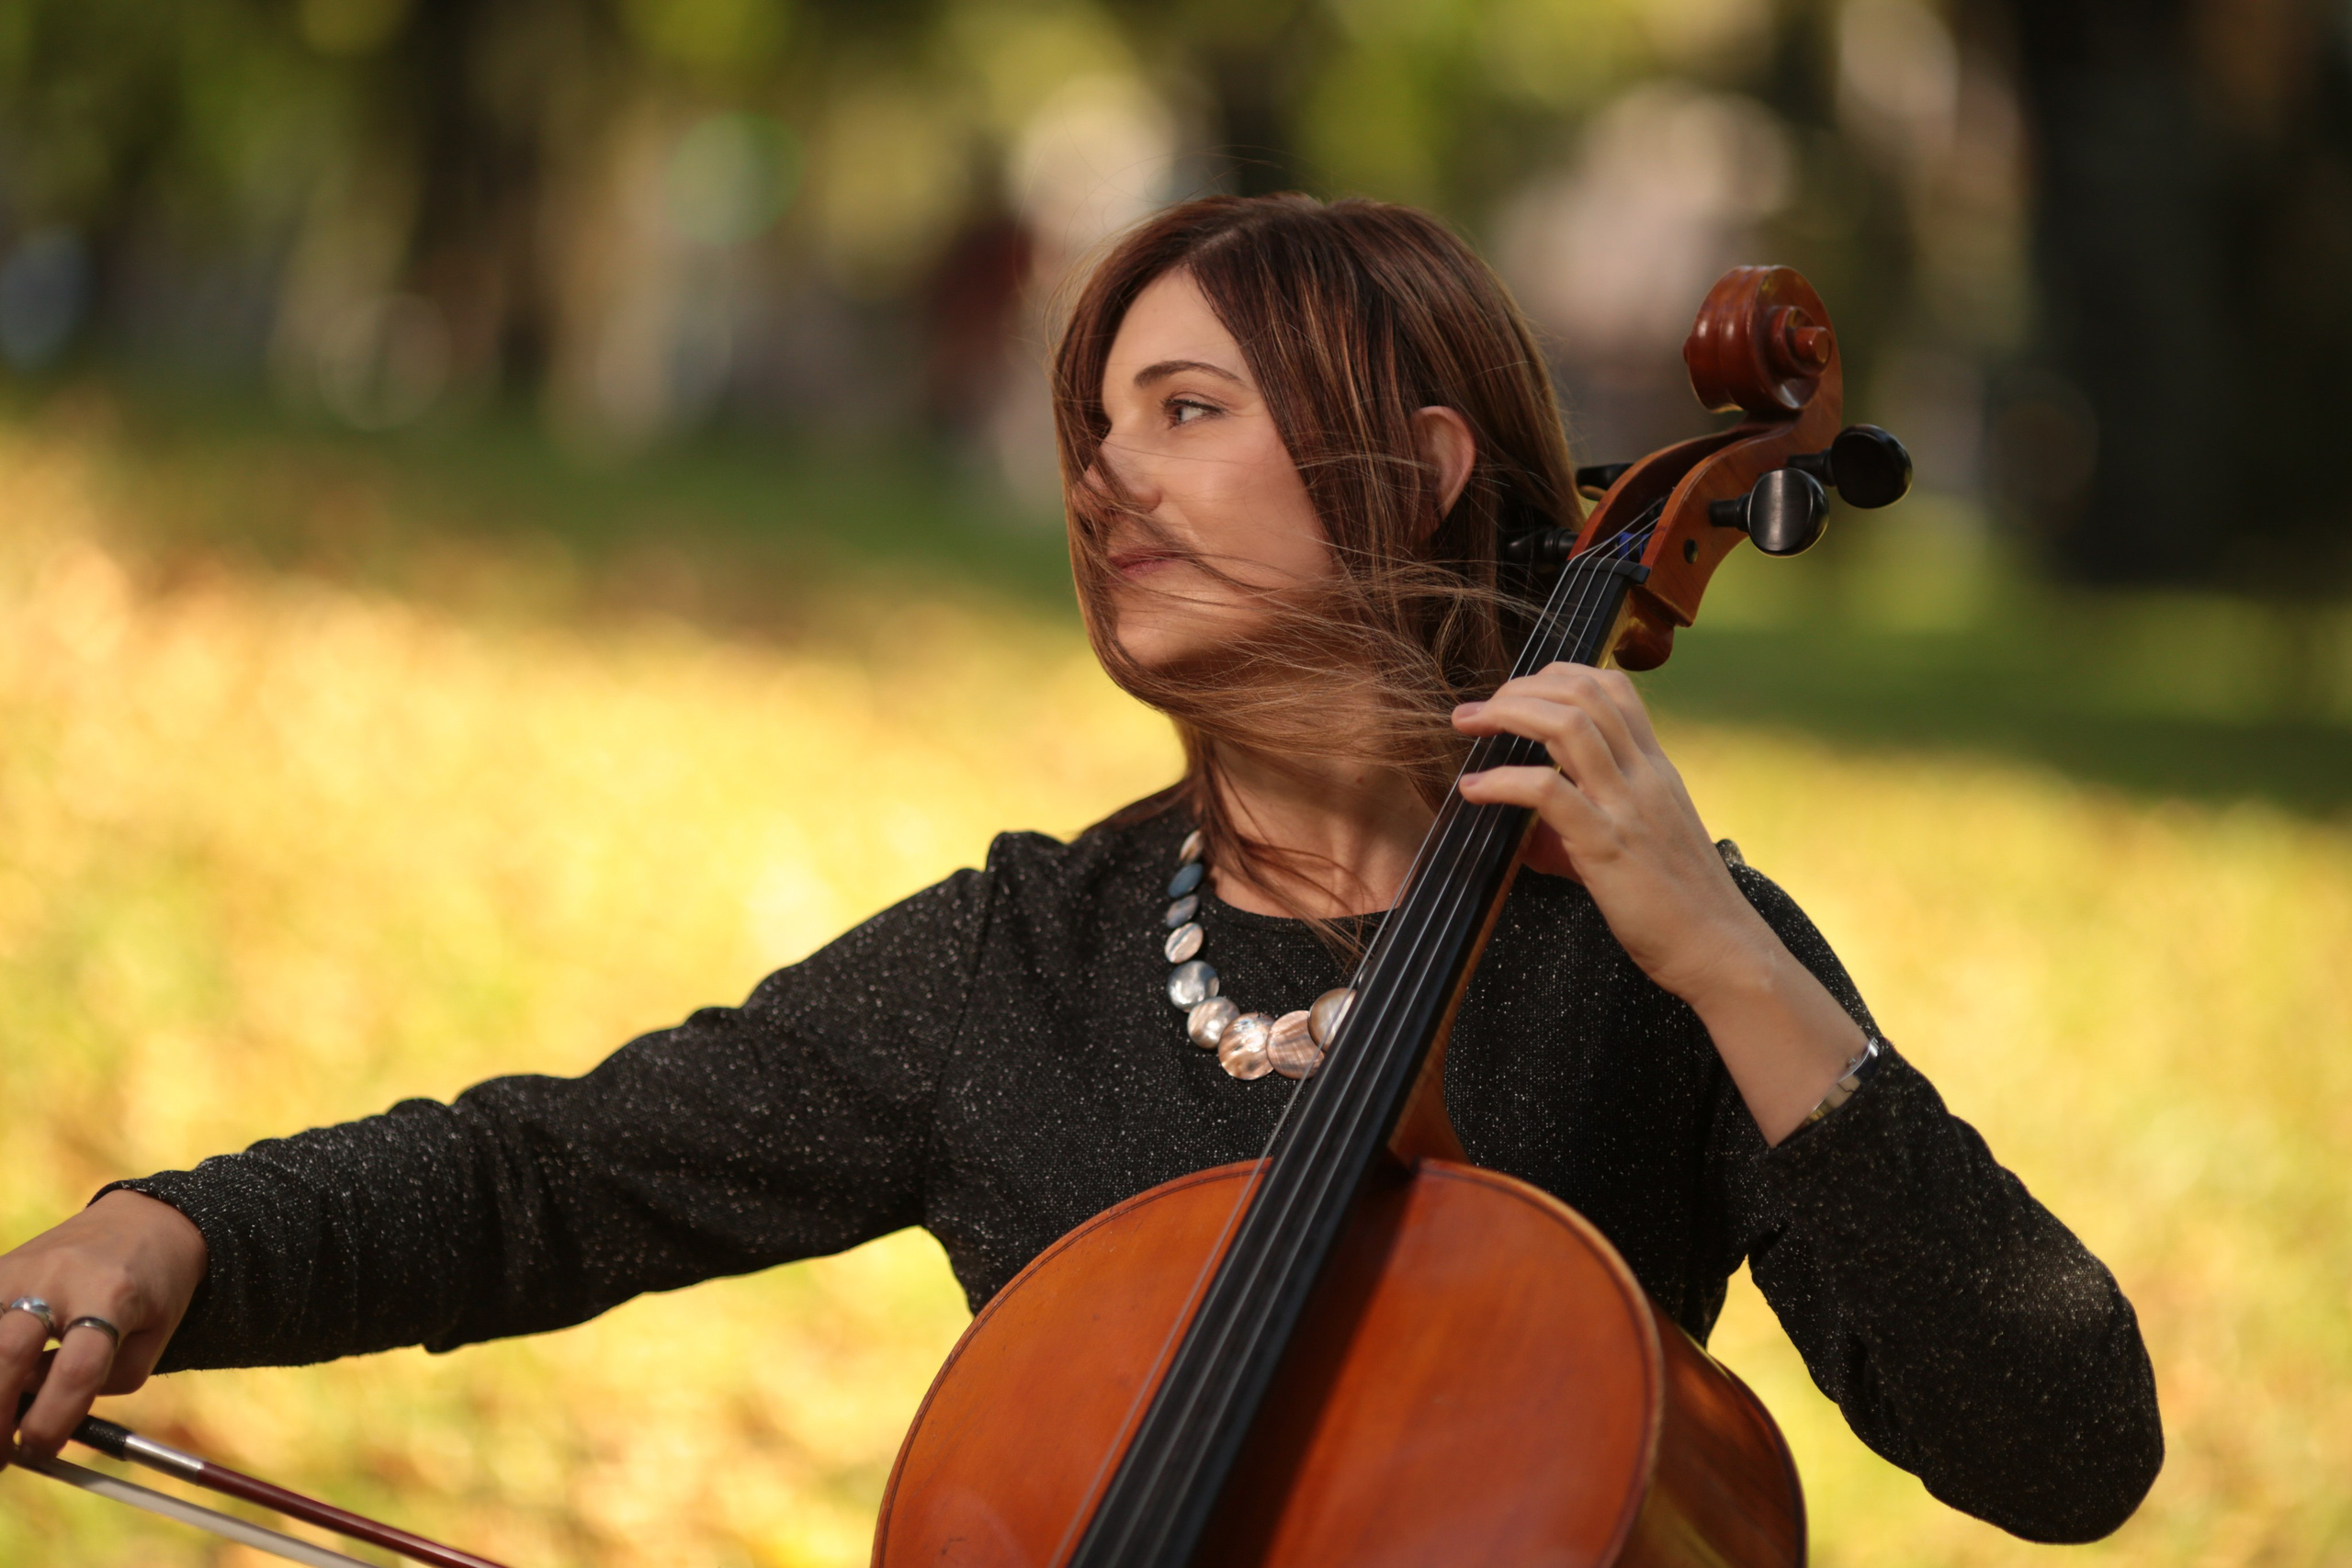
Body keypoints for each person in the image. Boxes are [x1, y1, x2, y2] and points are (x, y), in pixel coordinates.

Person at [0, 195, 2160, 1542]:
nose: (1102, 471)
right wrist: (173, 1231)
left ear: (1406, 470)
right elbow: (550, 1174)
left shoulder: (1649, 950)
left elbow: (2057, 1445)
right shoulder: (1026, 956)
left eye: (1186, 408)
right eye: (1096, 425)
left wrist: (1722, 958)